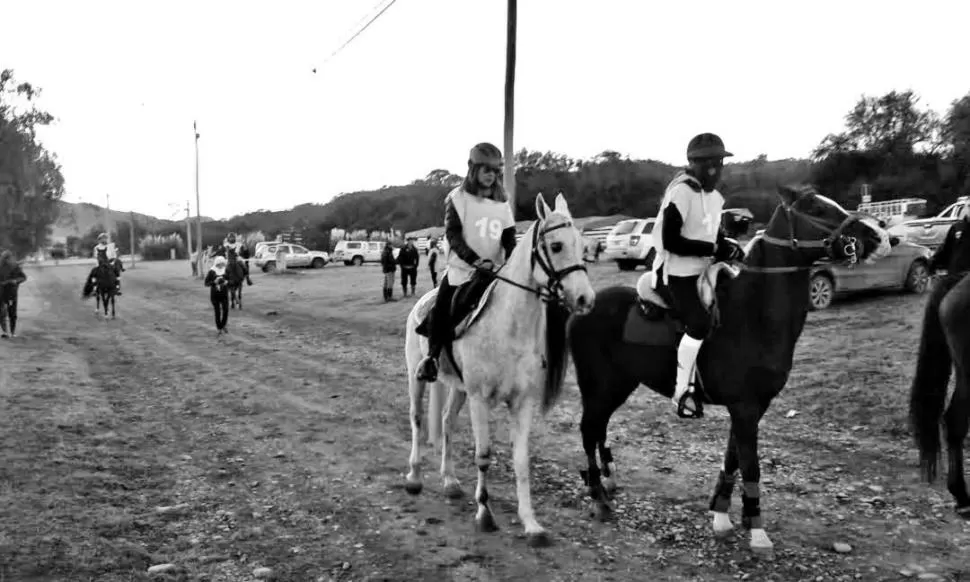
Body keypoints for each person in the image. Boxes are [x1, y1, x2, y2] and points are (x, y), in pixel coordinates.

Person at [649, 133, 745, 416]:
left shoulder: (715, 197)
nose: (716, 170)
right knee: (700, 323)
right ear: (694, 164)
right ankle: (682, 393)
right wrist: (712, 247)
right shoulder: (681, 192)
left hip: (704, 270)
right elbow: (670, 240)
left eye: (719, 163)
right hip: (677, 274)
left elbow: (714, 233)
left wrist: (728, 245)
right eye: (710, 164)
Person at [414, 142, 517, 382]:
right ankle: (432, 357)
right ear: (473, 169)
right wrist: (475, 260)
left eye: (495, 171)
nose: (491, 175)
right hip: (463, 270)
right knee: (443, 305)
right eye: (486, 170)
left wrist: (513, 261)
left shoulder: (503, 202)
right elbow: (454, 235)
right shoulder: (457, 198)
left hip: (496, 272)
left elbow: (509, 238)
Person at [0, 250, 27, 338]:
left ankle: (12, 332)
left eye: (5, 259)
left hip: (11, 292)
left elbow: (23, 277)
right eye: (3, 258)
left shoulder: (15, 267)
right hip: (1, 292)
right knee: (2, 312)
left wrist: (15, 281)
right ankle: (4, 332)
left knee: (12, 313)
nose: (4, 260)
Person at [204, 255, 231, 334]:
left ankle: (223, 325)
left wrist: (227, 282)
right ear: (217, 263)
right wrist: (214, 282)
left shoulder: (226, 270)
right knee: (218, 311)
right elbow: (206, 283)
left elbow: (230, 280)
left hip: (224, 294)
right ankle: (219, 327)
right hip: (215, 295)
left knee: (226, 310)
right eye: (220, 264)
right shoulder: (212, 271)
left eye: (223, 264)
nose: (221, 265)